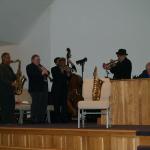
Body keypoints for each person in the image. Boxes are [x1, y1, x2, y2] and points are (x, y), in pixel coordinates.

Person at [26, 54, 49, 123]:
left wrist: (46, 71)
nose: (38, 61)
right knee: (36, 104)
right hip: (35, 89)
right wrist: (42, 73)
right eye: (37, 59)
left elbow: (48, 72)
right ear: (32, 60)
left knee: (43, 104)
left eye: (39, 59)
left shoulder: (40, 66)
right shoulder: (29, 66)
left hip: (43, 88)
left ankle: (41, 119)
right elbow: (32, 76)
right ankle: (34, 119)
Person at [51, 57, 70, 123]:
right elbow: (56, 78)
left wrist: (68, 72)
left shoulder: (66, 68)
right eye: (62, 62)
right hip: (56, 89)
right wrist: (62, 71)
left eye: (64, 62)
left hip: (64, 89)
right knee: (57, 104)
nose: (63, 63)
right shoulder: (54, 69)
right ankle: (57, 119)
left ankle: (64, 118)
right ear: (59, 63)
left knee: (64, 104)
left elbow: (68, 78)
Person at [0, 52, 16, 124]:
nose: (9, 59)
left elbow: (13, 77)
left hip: (10, 91)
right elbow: (2, 78)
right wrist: (11, 83)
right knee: (5, 107)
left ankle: (10, 122)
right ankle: (5, 123)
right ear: (3, 58)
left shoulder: (9, 67)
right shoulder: (1, 67)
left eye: (9, 57)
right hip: (4, 91)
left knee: (11, 106)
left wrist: (17, 75)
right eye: (8, 57)